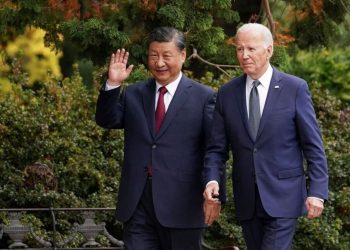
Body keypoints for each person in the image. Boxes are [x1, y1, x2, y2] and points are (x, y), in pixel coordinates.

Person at [203, 23, 328, 250]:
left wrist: (317, 191)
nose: (244, 55)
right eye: (239, 49)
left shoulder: (295, 88)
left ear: (269, 50)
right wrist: (212, 180)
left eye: (251, 49)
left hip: (284, 196)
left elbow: (313, 146)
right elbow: (216, 149)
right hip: (247, 199)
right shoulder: (227, 93)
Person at [95, 26, 217, 250]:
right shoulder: (134, 93)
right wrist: (113, 84)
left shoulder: (204, 97)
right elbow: (106, 120)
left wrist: (214, 188)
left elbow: (214, 148)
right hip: (138, 201)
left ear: (182, 55)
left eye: (166, 56)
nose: (159, 62)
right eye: (154, 55)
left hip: (182, 204)